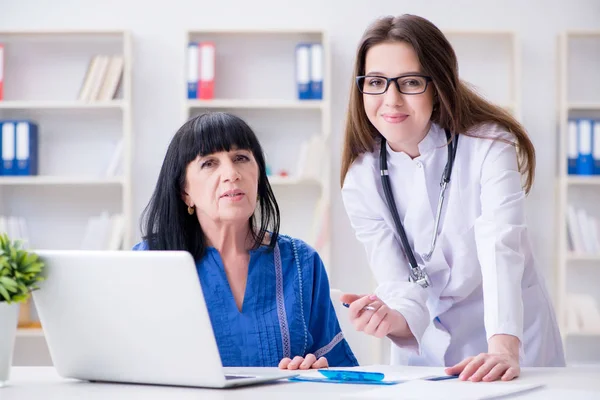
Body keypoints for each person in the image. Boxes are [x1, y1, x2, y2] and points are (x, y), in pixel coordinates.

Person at [339, 14, 565, 382]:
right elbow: (399, 284)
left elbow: (499, 245)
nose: (390, 100)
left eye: (410, 82)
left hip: (512, 333)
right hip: (430, 348)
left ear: (438, 85)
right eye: (376, 82)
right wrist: (389, 320)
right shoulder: (360, 178)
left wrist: (504, 347)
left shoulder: (489, 146)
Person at [134, 111, 358, 369]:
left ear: (259, 176)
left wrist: (317, 375)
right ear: (185, 192)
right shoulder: (148, 261)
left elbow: (342, 375)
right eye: (209, 163)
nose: (231, 173)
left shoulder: (301, 262)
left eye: (241, 158)